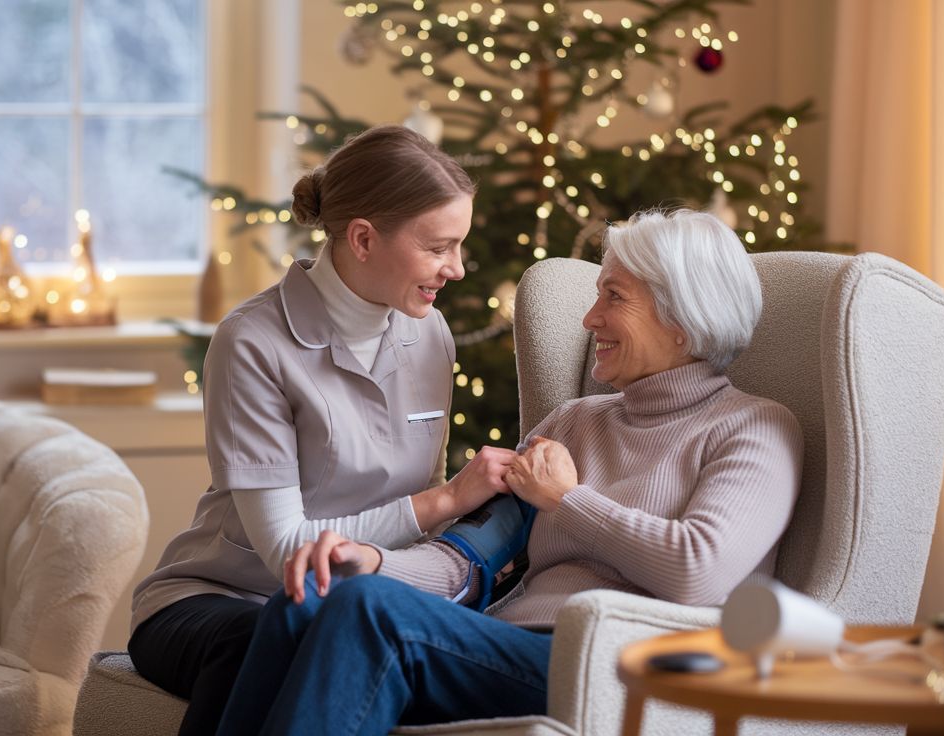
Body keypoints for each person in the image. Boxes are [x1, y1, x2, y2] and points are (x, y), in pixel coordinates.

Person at [213, 208, 805, 736]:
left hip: (625, 662)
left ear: (684, 318)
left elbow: (696, 570)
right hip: (508, 645)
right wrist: (371, 561)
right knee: (307, 602)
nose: (590, 318)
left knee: (369, 612)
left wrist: (568, 500)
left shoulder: (753, 429)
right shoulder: (574, 422)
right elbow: (466, 557)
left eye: (615, 298)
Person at [128, 125, 517, 735]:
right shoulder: (252, 341)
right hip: (214, 601)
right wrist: (444, 500)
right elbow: (290, 552)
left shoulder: (432, 336)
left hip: (353, 599)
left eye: (460, 246)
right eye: (440, 247)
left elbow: (420, 522)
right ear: (363, 238)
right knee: (273, 640)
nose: (458, 269)